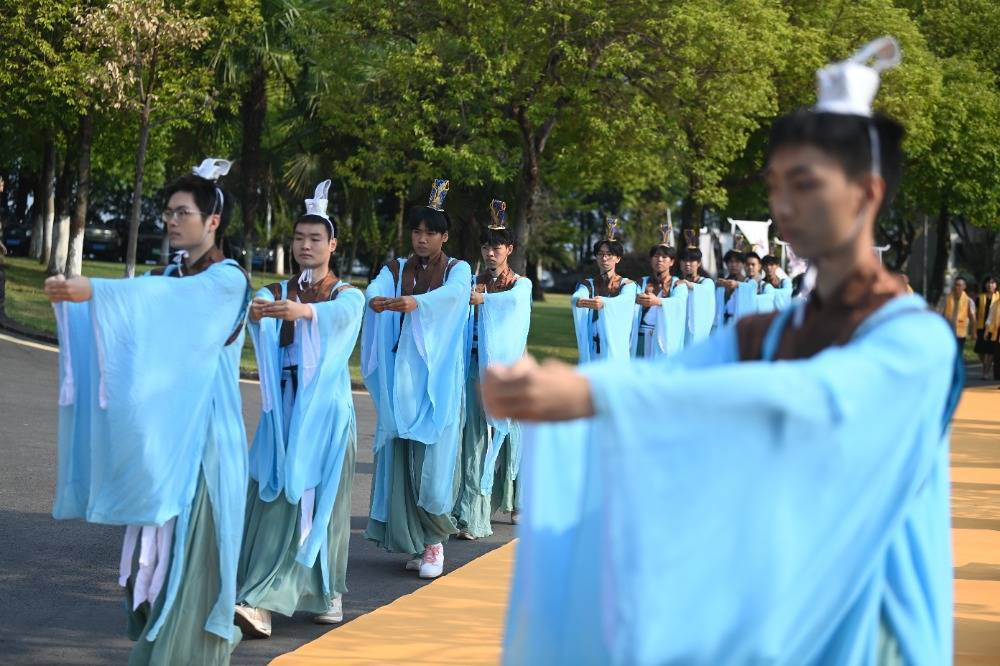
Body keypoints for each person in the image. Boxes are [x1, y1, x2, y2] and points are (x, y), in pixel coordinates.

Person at [483, 38, 963, 664]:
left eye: (805, 184)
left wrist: (594, 390)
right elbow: (671, 390)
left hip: (871, 623)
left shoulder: (916, 341)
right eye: (775, 187)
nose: (784, 207)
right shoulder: (774, 333)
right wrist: (548, 390)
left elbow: (811, 399)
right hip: (779, 611)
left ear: (867, 194)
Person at [45, 158, 252, 665]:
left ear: (213, 222)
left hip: (206, 441)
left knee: (195, 564)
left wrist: (97, 291)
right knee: (156, 570)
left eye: (183, 211)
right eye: (169, 212)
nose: (172, 220)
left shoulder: (227, 281)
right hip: (165, 437)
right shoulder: (167, 275)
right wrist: (88, 308)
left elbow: (168, 303)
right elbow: (140, 325)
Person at [234, 180, 364, 638]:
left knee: (324, 502)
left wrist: (307, 314)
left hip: (326, 415)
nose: (305, 246)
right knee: (274, 494)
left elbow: (348, 315)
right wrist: (256, 313)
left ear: (332, 244)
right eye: (298, 238)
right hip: (283, 413)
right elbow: (260, 308)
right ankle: (259, 600)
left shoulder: (344, 293)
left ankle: (326, 589)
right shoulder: (277, 290)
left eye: (315, 239)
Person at [362, 179, 471, 579]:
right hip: (400, 381)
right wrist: (374, 298)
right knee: (403, 458)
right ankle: (413, 538)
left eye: (430, 232)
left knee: (434, 461)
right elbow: (376, 286)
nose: (422, 239)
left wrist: (416, 304)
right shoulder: (396, 268)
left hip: (437, 381)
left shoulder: (459, 270)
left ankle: (435, 543)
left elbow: (454, 298)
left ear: (444, 236)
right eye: (417, 231)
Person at [454, 200, 532, 540]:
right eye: (485, 245)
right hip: (473, 366)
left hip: (506, 368)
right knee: (474, 439)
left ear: (509, 249)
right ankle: (471, 513)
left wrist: (484, 300)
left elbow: (513, 305)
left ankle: (515, 499)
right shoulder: (472, 280)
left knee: (508, 436)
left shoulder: (521, 285)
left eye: (496, 245)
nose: (490, 251)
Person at [571, 219, 638, 362]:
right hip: (594, 337)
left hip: (616, 338)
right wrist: (580, 301)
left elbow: (624, 300)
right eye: (600, 254)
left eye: (609, 254)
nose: (604, 258)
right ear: (596, 257)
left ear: (618, 258)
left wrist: (604, 303)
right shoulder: (589, 284)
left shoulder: (628, 285)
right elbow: (578, 296)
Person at [631, 242, 688, 358]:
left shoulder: (678, 284)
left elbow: (679, 302)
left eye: (664, 257)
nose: (660, 260)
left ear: (671, 262)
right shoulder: (641, 282)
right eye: (656, 256)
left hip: (665, 336)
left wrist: (659, 301)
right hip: (642, 334)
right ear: (651, 259)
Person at [677, 246, 715, 345]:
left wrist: (689, 284)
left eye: (692, 260)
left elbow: (706, 290)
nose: (687, 264)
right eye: (684, 260)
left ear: (699, 263)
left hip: (696, 331)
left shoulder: (707, 282)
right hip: (678, 327)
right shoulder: (675, 281)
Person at [713, 249, 756, 327]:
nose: (733, 265)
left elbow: (752, 289)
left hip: (741, 325)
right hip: (723, 324)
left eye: (737, 262)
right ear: (726, 264)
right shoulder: (721, 283)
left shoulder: (749, 282)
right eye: (730, 262)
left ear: (743, 264)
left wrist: (737, 285)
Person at [942, 276, 976, 352]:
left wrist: (974, 332)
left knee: (958, 353)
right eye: (955, 285)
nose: (957, 287)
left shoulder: (969, 301)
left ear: (964, 286)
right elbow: (941, 314)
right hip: (948, 331)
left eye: (959, 285)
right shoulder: (947, 299)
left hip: (961, 333)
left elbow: (973, 317)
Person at [973, 275, 998, 379]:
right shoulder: (980, 297)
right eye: (988, 282)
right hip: (981, 326)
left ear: (996, 285)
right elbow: (975, 313)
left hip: (994, 328)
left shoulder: (998, 297)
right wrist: (973, 329)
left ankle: (986, 373)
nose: (989, 285)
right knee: (980, 350)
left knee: (990, 351)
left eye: (992, 282)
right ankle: (986, 365)